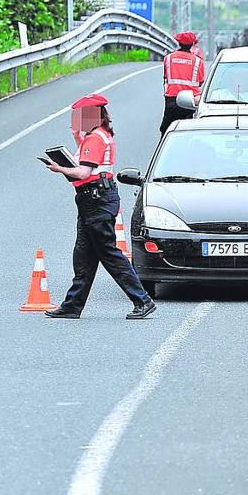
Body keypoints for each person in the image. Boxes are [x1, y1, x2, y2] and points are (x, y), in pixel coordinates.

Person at [43, 94, 157, 320]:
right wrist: (77, 136)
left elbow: (83, 172)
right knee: (84, 254)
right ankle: (72, 305)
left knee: (108, 253)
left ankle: (142, 300)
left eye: (79, 117)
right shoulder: (94, 137)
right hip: (91, 199)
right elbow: (87, 163)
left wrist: (59, 168)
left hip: (97, 199)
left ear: (93, 116)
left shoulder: (96, 138)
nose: (75, 120)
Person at [160, 32, 205, 134]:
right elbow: (201, 82)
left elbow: (166, 77)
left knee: (167, 130)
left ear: (179, 43)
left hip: (171, 99)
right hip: (190, 101)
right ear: (193, 44)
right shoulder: (198, 61)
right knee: (189, 132)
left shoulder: (168, 58)